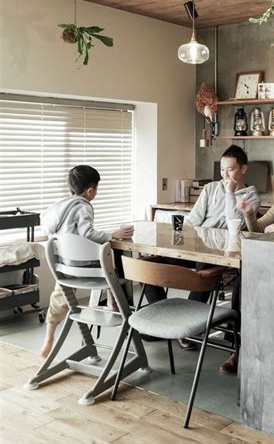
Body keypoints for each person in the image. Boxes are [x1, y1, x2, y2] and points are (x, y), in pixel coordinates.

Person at [147, 145, 260, 372]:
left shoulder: (250, 196)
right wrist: (177, 237)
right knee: (150, 262)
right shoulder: (209, 189)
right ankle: (164, 322)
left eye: (230, 170)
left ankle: (188, 327)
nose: (225, 175)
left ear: (243, 169)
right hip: (198, 245)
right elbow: (194, 219)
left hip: (224, 252)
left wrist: (229, 193)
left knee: (203, 269)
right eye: (222, 170)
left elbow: (232, 223)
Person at [40, 165, 134, 358]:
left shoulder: (60, 207)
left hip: (64, 266)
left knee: (58, 300)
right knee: (109, 265)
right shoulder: (83, 206)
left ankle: (49, 338)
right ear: (91, 190)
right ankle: (111, 301)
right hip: (84, 267)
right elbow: (87, 233)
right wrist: (112, 234)